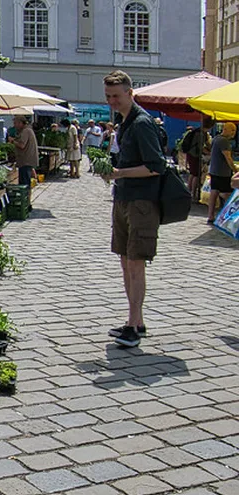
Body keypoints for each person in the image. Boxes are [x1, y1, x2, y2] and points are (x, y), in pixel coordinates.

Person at [99, 70, 165, 349]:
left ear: (130, 93)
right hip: (124, 198)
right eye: (108, 96)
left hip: (141, 203)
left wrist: (118, 173)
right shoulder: (124, 122)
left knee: (136, 263)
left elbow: (155, 166)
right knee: (126, 261)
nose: (112, 101)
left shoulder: (141, 123)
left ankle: (133, 325)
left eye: (116, 96)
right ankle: (134, 322)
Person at [206, 122, 236, 226]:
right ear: (226, 129)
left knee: (214, 193)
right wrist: (235, 169)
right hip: (223, 172)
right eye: (233, 130)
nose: (234, 133)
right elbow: (228, 157)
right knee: (227, 194)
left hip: (214, 170)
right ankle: (227, 216)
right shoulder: (224, 141)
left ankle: (211, 216)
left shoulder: (216, 139)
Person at [182, 117, 213, 201]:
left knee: (192, 173)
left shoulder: (199, 131)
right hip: (195, 155)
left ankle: (188, 191)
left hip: (190, 154)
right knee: (196, 174)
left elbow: (207, 144)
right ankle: (193, 193)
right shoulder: (201, 134)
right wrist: (210, 153)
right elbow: (201, 147)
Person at [12, 116, 39, 186]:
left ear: (20, 123)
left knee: (24, 183)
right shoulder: (28, 130)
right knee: (26, 181)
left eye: (15, 123)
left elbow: (22, 145)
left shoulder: (26, 131)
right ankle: (27, 195)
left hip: (26, 161)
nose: (14, 125)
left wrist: (12, 141)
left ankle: (26, 196)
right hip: (27, 161)